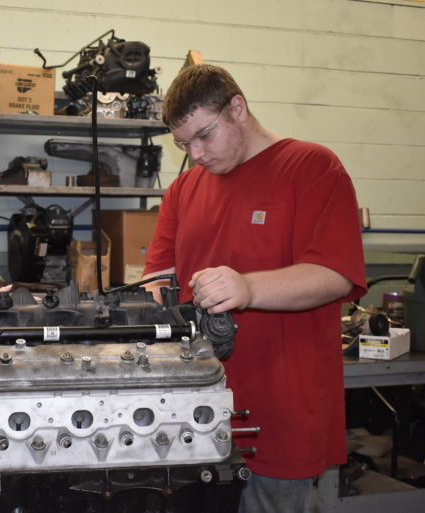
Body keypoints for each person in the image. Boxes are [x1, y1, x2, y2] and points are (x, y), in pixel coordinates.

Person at [142, 64, 366, 513]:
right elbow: (157, 278)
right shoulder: (184, 188)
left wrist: (246, 287)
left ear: (238, 109)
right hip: (195, 413)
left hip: (280, 412)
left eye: (204, 135)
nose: (196, 153)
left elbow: (336, 274)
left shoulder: (312, 168)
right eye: (183, 144)